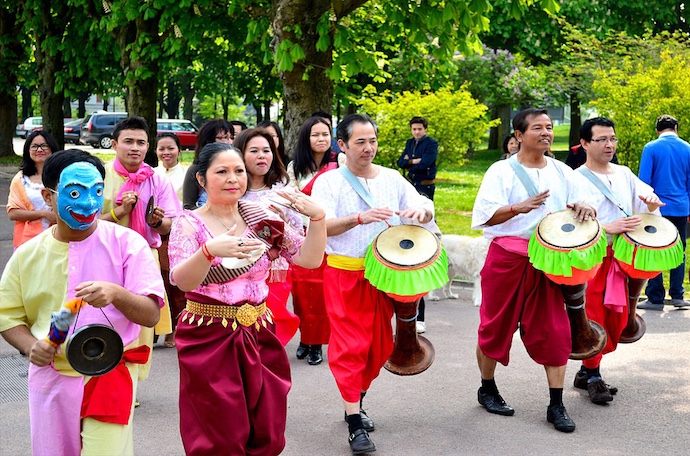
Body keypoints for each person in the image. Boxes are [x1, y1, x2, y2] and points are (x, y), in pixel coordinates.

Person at [0, 149, 165, 455]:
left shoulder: (128, 244)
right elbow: (8, 316)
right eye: (75, 192)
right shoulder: (27, 255)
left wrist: (117, 293)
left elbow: (151, 314)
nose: (88, 203)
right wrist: (29, 345)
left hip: (111, 372)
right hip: (51, 374)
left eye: (97, 191)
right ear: (48, 197)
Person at [168, 142, 326, 455]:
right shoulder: (188, 223)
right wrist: (209, 251)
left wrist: (318, 218)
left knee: (267, 424)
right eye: (222, 172)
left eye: (238, 171)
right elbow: (182, 280)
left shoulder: (262, 220)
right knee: (219, 429)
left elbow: (308, 259)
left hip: (260, 330)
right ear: (201, 179)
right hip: (208, 333)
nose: (233, 178)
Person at [311, 113, 434, 454]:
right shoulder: (329, 183)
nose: (368, 148)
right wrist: (358, 218)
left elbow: (420, 203)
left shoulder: (392, 178)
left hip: (386, 274)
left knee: (378, 346)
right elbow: (321, 228)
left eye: (373, 141)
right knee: (351, 345)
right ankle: (354, 422)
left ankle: (356, 399)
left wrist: (422, 212)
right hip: (345, 273)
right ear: (342, 145)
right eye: (360, 142)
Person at [471, 108, 596, 433]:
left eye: (549, 127)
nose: (546, 132)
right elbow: (484, 216)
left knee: (555, 330)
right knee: (495, 328)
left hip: (549, 259)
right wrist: (518, 207)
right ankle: (488, 387)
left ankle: (556, 403)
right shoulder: (500, 171)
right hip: (507, 259)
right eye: (538, 128)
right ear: (519, 135)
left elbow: (584, 201)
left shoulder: (562, 171)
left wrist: (584, 206)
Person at [575, 117, 663, 404]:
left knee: (618, 317)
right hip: (592, 256)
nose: (609, 145)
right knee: (594, 315)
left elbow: (644, 205)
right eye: (601, 139)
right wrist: (605, 228)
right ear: (585, 143)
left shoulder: (624, 173)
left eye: (612, 138)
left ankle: (586, 368)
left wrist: (651, 204)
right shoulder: (573, 178)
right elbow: (565, 223)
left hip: (623, 257)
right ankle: (594, 376)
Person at [100, 117, 181, 374]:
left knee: (141, 324)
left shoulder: (156, 180)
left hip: (146, 256)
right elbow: (86, 223)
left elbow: (170, 225)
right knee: (106, 316)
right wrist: (119, 212)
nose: (135, 147)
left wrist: (156, 222)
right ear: (114, 144)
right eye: (128, 141)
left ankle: (131, 382)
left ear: (148, 146)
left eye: (141, 142)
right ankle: (104, 372)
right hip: (105, 256)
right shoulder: (99, 176)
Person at [236, 128, 302, 346]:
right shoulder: (232, 191)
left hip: (275, 268)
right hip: (238, 267)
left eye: (267, 150)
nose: (261, 156)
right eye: (254, 150)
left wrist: (284, 220)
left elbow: (298, 231)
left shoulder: (283, 192)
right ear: (240, 154)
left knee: (272, 321)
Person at [287, 116, 338, 365]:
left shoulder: (340, 165)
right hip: (302, 237)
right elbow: (292, 201)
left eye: (325, 134)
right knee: (301, 294)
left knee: (321, 294)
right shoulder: (294, 167)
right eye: (316, 134)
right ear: (306, 138)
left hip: (330, 237)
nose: (321, 139)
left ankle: (317, 343)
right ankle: (305, 338)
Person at [638, 114, 690, 310]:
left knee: (654, 249)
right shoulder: (687, 148)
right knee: (679, 250)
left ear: (657, 130)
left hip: (656, 207)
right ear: (675, 127)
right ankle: (677, 294)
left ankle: (655, 296)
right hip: (681, 206)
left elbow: (644, 181)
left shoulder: (651, 148)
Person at [154, 132, 188, 348]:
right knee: (156, 282)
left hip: (177, 231)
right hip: (153, 231)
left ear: (179, 150)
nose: (166, 153)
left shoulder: (186, 175)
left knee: (174, 283)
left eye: (171, 148)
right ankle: (157, 328)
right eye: (162, 149)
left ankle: (175, 328)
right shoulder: (152, 174)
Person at [7, 130, 59, 249]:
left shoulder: (63, 176)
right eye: (34, 146)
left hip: (59, 238)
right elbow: (12, 213)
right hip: (28, 242)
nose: (39, 150)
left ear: (52, 148)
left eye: (44, 145)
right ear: (28, 150)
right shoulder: (20, 179)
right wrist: (44, 214)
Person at [182, 119, 233, 210]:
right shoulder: (195, 170)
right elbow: (188, 206)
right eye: (224, 138)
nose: (230, 142)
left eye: (231, 138)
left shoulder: (238, 167)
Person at [397, 116, 438, 200]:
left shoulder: (431, 143)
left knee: (424, 211)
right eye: (414, 129)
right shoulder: (410, 143)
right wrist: (413, 161)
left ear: (425, 129)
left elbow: (425, 163)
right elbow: (400, 162)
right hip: (410, 184)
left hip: (425, 185)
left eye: (419, 129)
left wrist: (408, 164)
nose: (417, 132)